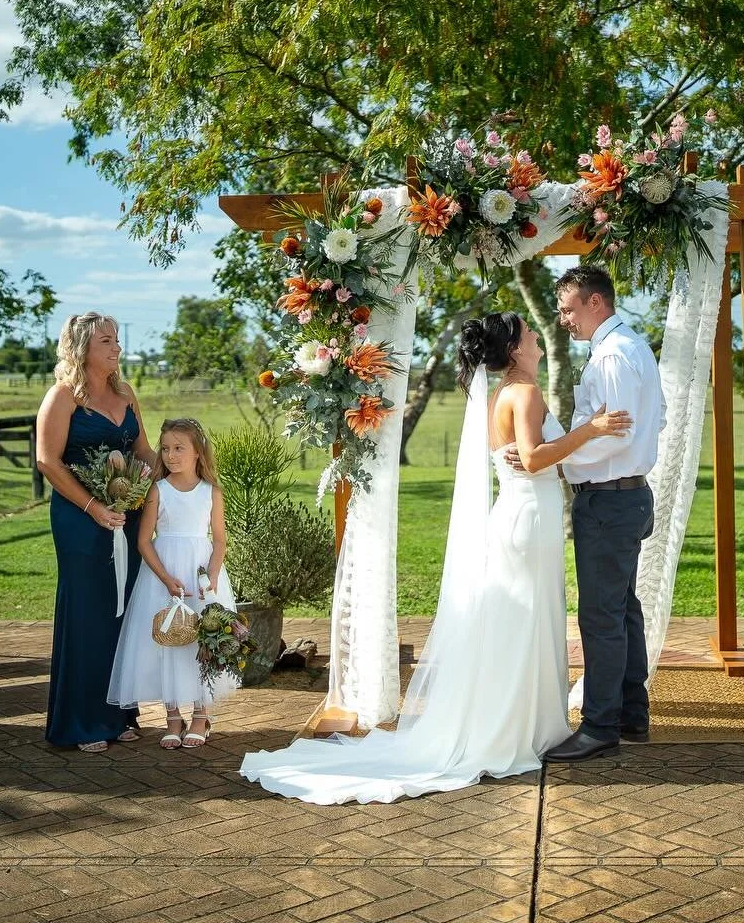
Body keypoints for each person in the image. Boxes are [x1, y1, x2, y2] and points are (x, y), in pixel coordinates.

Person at [239, 311, 631, 803]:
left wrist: (559, 444)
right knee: (526, 622)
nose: (536, 335)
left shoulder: (504, 393)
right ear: (514, 349)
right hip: (529, 520)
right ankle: (514, 730)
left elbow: (531, 453)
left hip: (524, 516)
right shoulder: (524, 392)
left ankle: (521, 723)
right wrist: (592, 429)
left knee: (521, 622)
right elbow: (532, 459)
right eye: (529, 333)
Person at [539, 265, 664, 764]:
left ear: (596, 303)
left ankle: (600, 726)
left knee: (601, 616)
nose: (563, 318)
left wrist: (557, 455)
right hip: (621, 496)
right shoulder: (629, 346)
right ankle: (632, 713)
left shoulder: (613, 356)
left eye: (569, 308)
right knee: (622, 608)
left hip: (610, 500)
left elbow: (619, 434)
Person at [36, 312, 156, 753]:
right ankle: (83, 720)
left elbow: (142, 449)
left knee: (121, 611)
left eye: (117, 339)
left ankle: (119, 710)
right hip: (79, 517)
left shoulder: (125, 392)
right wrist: (93, 507)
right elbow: (48, 460)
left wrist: (173, 478)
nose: (116, 347)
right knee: (87, 612)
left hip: (127, 514)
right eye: (107, 340)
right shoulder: (63, 396)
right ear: (83, 347)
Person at [108, 418, 237, 749]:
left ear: (197, 452)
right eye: (165, 449)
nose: (170, 455)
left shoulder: (212, 492)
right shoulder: (158, 490)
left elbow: (219, 540)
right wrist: (165, 578)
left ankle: (200, 715)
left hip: (200, 574)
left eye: (179, 448)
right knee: (166, 641)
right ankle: (172, 717)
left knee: (200, 642)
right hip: (162, 575)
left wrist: (210, 575)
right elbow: (144, 541)